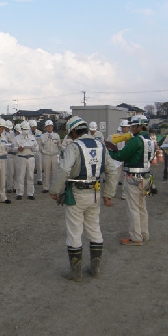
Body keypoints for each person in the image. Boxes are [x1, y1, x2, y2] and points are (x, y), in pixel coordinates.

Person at [50, 116, 117, 281]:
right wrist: (108, 195)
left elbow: (64, 169)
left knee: (74, 231)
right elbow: (112, 170)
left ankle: (76, 272)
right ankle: (95, 269)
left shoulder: (74, 146)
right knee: (94, 229)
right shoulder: (100, 145)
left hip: (76, 192)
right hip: (94, 191)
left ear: (73, 131)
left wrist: (55, 190)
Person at [107, 115, 154, 245]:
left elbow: (122, 155)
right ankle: (144, 233)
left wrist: (109, 152)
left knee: (133, 208)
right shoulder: (149, 140)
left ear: (139, 126)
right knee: (142, 207)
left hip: (133, 176)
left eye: (133, 126)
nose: (131, 129)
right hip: (145, 176)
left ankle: (136, 237)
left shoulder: (136, 140)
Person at [15, 121, 39, 200]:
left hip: (30, 158)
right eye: (24, 129)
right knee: (20, 176)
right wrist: (18, 148)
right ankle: (19, 193)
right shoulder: (17, 138)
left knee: (30, 176)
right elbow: (12, 148)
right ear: (21, 129)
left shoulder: (32, 137)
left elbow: (37, 147)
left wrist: (33, 148)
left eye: (27, 129)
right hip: (21, 157)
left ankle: (30, 193)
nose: (25, 130)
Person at [39, 120, 61, 193]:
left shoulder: (56, 136)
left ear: (52, 127)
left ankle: (54, 187)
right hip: (46, 156)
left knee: (55, 172)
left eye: (50, 126)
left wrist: (59, 152)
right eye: (48, 127)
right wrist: (43, 152)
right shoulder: (42, 136)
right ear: (45, 127)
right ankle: (46, 187)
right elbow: (40, 146)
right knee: (46, 172)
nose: (49, 128)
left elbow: (59, 145)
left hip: (54, 156)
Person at [5, 120, 17, 193]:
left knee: (16, 172)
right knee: (10, 172)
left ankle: (15, 187)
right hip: (9, 154)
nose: (8, 129)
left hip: (17, 154)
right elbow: (5, 145)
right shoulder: (4, 135)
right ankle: (9, 187)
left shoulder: (14, 134)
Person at [29, 120, 43, 185]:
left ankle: (39, 179)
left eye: (34, 127)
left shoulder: (40, 133)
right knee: (31, 166)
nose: (33, 128)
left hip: (38, 151)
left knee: (39, 165)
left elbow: (41, 142)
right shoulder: (28, 133)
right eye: (32, 127)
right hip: (31, 151)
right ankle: (31, 179)